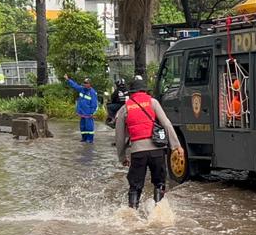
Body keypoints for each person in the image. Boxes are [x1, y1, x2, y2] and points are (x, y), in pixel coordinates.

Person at [115, 78, 180, 208]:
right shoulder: (153, 102)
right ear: (145, 90)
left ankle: (132, 213)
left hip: (138, 153)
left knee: (135, 186)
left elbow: (119, 137)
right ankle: (159, 211)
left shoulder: (124, 108)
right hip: (157, 151)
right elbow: (166, 124)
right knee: (159, 183)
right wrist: (176, 146)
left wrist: (122, 157)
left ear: (131, 93)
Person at [64, 74, 99, 143]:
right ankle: (84, 138)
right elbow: (74, 85)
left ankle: (90, 139)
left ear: (90, 84)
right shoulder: (82, 89)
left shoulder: (92, 92)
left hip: (88, 113)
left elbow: (95, 104)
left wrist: (92, 113)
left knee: (89, 127)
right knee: (82, 127)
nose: (85, 84)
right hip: (82, 112)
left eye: (86, 83)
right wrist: (68, 79)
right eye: (84, 83)